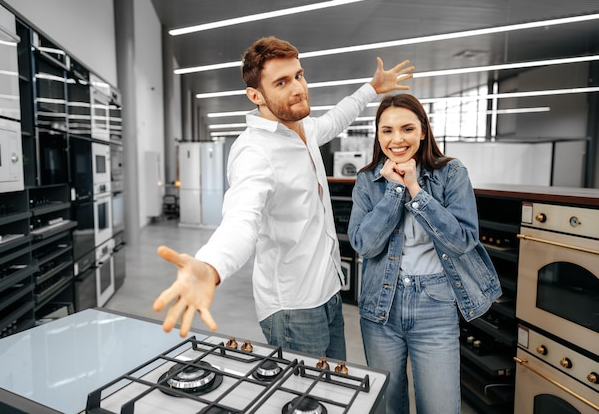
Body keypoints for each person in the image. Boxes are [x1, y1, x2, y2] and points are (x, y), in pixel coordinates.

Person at [153, 36, 414, 360]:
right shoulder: (254, 152)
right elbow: (242, 220)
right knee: (305, 403)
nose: (298, 88)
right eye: (281, 82)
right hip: (294, 308)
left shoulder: (301, 128)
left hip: (328, 288)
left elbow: (336, 118)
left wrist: (371, 88)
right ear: (255, 95)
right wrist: (210, 265)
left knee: (335, 391)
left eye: (299, 76)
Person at [347, 93, 502, 414]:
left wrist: (416, 190)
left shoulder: (452, 174)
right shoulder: (368, 181)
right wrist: (394, 190)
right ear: (378, 135)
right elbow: (364, 244)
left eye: (406, 128)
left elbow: (463, 240)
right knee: (388, 405)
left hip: (436, 304)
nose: (397, 139)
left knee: (440, 406)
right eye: (387, 130)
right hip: (380, 307)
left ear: (423, 131)